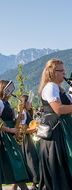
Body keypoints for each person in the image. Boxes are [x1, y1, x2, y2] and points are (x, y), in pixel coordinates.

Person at [38, 58, 72, 189]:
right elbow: (58, 109)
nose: (64, 73)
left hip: (63, 127)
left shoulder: (60, 88)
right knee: (60, 166)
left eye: (64, 70)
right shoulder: (50, 86)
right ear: (52, 72)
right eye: (61, 71)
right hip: (56, 129)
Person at [0, 80, 33, 190]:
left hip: (10, 135)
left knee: (16, 163)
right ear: (4, 89)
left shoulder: (8, 103)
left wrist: (17, 119)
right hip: (4, 136)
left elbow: (8, 118)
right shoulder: (0, 102)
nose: (12, 92)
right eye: (10, 89)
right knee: (15, 163)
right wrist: (10, 130)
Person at [18, 95, 40, 190]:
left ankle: (33, 185)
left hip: (29, 140)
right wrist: (35, 129)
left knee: (33, 161)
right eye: (29, 102)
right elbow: (21, 130)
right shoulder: (23, 113)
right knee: (32, 162)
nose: (31, 104)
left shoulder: (28, 113)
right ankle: (34, 185)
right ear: (24, 103)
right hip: (26, 141)